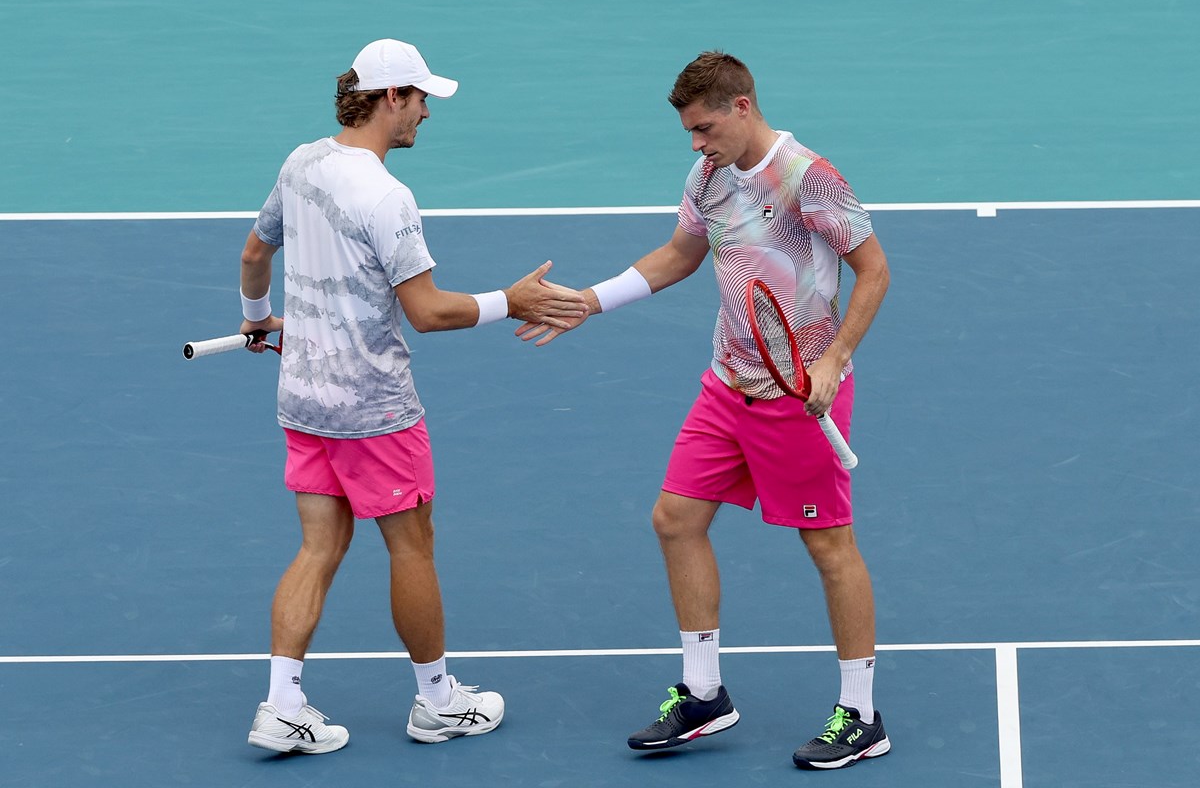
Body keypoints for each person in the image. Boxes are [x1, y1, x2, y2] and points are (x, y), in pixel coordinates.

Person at [518, 51, 891, 770]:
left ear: (743, 106)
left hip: (797, 395)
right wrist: (588, 303)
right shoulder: (709, 177)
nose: (696, 142)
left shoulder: (810, 178)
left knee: (829, 548)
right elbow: (678, 256)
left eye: (704, 127)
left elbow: (874, 270)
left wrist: (834, 358)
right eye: (689, 131)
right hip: (727, 385)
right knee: (676, 518)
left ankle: (863, 715)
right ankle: (704, 692)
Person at [238, 38, 588, 754]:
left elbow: (254, 253)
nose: (428, 112)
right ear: (390, 97)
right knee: (412, 548)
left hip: (304, 399)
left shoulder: (300, 162)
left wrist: (254, 321)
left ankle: (280, 704)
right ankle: (437, 702)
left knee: (318, 545)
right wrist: (510, 301)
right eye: (421, 97)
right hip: (374, 411)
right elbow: (427, 311)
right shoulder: (386, 195)